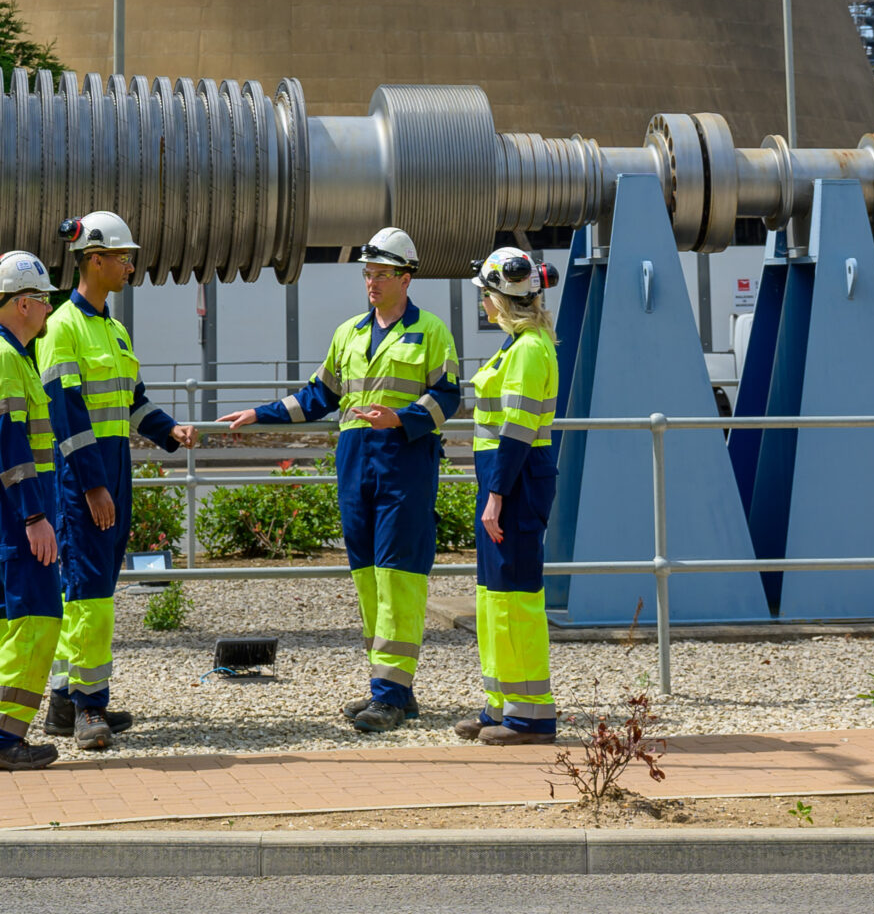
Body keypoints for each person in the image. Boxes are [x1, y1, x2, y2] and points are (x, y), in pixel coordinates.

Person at [226, 229, 459, 731]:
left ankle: (390, 695)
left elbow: (449, 396)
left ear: (406, 276)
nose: (371, 283)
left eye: (380, 274)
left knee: (398, 579)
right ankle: (392, 687)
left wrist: (400, 419)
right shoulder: (349, 333)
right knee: (368, 580)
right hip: (355, 465)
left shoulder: (431, 332)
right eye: (367, 274)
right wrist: (261, 414)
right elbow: (318, 396)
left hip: (405, 464)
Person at [36, 211, 196, 751]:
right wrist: (93, 485)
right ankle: (88, 708)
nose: (130, 265)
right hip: (87, 476)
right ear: (95, 260)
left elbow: (133, 400)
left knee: (93, 585)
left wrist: (168, 430)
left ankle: (64, 700)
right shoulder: (62, 327)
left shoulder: (113, 327)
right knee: (88, 594)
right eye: (123, 257)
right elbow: (66, 413)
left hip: (113, 468)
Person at [0, 251, 64, 769]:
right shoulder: (6, 358)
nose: (49, 310)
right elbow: (10, 441)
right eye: (44, 300)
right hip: (11, 502)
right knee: (38, 614)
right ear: (24, 303)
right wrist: (34, 516)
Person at [459, 244, 561, 745]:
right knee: (493, 597)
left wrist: (496, 495)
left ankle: (531, 717)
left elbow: (518, 429)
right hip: (507, 480)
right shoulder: (519, 345)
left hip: (514, 483)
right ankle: (501, 703)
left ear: (501, 298)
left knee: (516, 597)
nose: (482, 303)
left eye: (485, 295)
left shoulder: (527, 350)